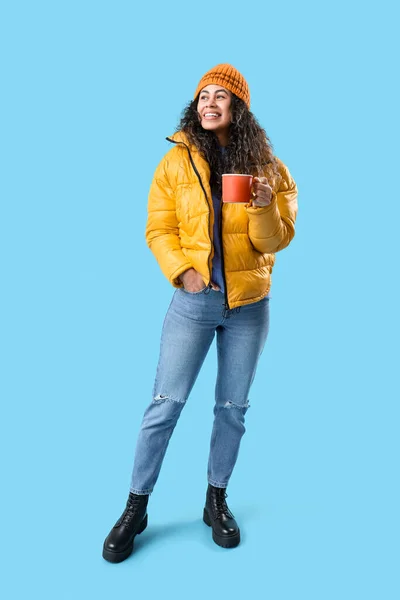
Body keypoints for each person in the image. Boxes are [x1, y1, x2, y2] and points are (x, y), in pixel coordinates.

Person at [102, 63, 298, 562]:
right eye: (203, 95)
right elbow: (158, 229)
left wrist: (262, 204)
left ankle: (216, 500)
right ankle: (136, 506)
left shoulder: (269, 167)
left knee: (232, 410)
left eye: (222, 97)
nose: (210, 103)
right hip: (194, 302)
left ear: (239, 108)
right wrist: (183, 273)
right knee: (164, 406)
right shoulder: (174, 162)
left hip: (249, 308)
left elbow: (275, 241)